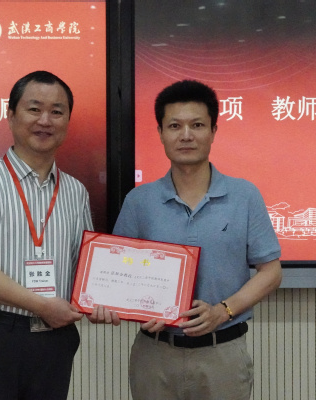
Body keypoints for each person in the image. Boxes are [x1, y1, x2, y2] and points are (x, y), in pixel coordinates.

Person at [0, 70, 117, 400]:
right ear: (11, 116)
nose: (45, 121)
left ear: (67, 120)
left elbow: (86, 270)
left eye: (57, 111)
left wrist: (102, 301)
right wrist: (42, 306)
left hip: (56, 338)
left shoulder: (75, 192)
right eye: (34, 109)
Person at [113, 79, 282, 400]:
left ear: (213, 131)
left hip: (222, 354)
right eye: (175, 126)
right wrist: (131, 306)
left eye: (198, 125)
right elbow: (119, 275)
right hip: (155, 355)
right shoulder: (139, 201)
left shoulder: (244, 196)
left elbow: (271, 272)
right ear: (160, 133)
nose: (186, 135)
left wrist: (223, 311)